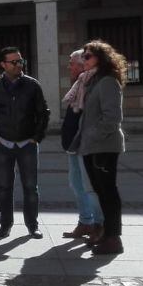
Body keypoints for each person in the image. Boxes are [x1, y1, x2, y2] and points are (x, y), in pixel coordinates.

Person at [0, 46, 50, 238]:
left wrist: (37, 137)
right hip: (3, 144)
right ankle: (5, 224)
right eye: (14, 62)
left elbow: (43, 113)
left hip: (27, 143)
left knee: (30, 187)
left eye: (21, 61)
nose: (19, 65)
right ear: (3, 65)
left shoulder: (32, 85)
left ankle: (32, 225)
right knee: (4, 187)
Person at [72, 40, 128, 255]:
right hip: (92, 146)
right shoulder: (92, 81)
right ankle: (107, 233)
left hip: (102, 147)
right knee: (101, 193)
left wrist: (92, 136)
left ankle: (113, 238)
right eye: (83, 56)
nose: (83, 60)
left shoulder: (107, 82)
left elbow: (112, 118)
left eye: (88, 56)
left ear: (100, 59)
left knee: (108, 193)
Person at [60, 50, 104, 242]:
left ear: (82, 64)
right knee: (76, 184)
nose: (69, 66)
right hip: (73, 144)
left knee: (90, 187)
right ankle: (85, 221)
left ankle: (99, 225)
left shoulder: (94, 83)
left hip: (86, 145)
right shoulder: (79, 83)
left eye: (72, 63)